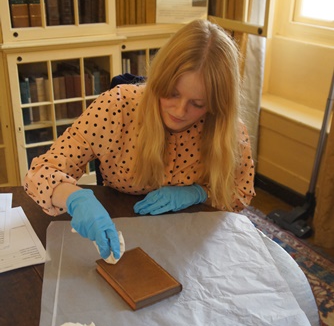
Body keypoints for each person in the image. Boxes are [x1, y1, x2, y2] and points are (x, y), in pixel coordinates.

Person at [24, 19, 255, 262]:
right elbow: (40, 173)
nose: (179, 111)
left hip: (190, 247)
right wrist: (74, 199)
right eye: (171, 93)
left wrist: (200, 193)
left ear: (218, 106)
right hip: (122, 234)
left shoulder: (229, 130)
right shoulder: (117, 107)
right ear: (158, 81)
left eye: (198, 104)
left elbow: (240, 193)